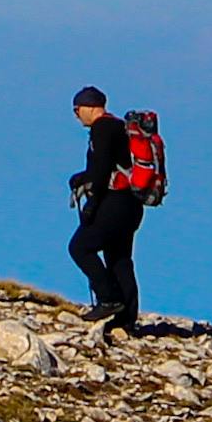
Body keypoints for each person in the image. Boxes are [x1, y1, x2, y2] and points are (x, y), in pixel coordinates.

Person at [65, 88, 146, 332]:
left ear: (89, 107)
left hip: (114, 203)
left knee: (80, 247)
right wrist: (81, 178)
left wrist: (92, 204)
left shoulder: (101, 129)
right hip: (132, 204)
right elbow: (110, 165)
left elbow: (101, 169)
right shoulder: (119, 127)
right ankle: (127, 320)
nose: (76, 116)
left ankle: (109, 299)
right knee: (120, 259)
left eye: (77, 110)